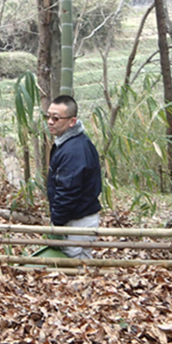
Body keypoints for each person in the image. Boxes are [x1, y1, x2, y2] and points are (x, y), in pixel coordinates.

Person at [46, 95, 102, 259]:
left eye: (56, 118)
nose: (50, 121)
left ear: (72, 122)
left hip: (78, 221)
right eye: (48, 116)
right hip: (73, 218)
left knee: (77, 270)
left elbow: (68, 191)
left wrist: (56, 222)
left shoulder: (75, 150)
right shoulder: (68, 143)